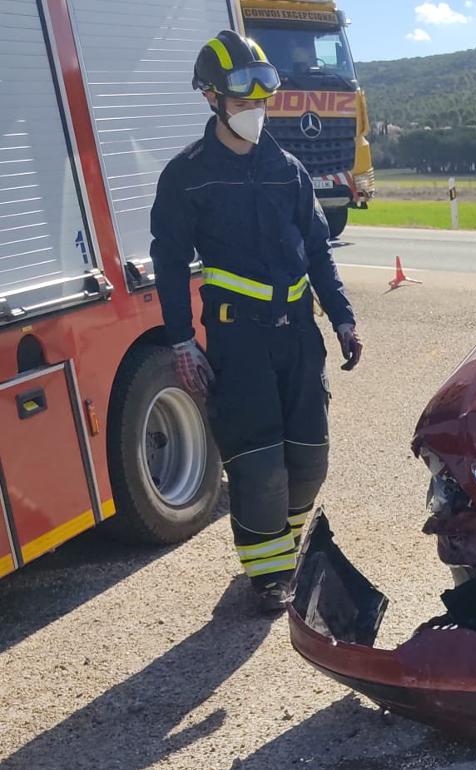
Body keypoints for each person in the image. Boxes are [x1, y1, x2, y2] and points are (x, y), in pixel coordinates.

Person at [150, 30, 363, 612]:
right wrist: (180, 341)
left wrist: (342, 318)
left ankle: (283, 548)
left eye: (261, 100)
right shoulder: (187, 176)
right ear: (212, 100)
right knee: (260, 465)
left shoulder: (287, 168)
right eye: (242, 101)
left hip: (298, 334)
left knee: (309, 458)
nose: (254, 112)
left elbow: (319, 250)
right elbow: (168, 263)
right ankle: (267, 578)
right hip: (237, 339)